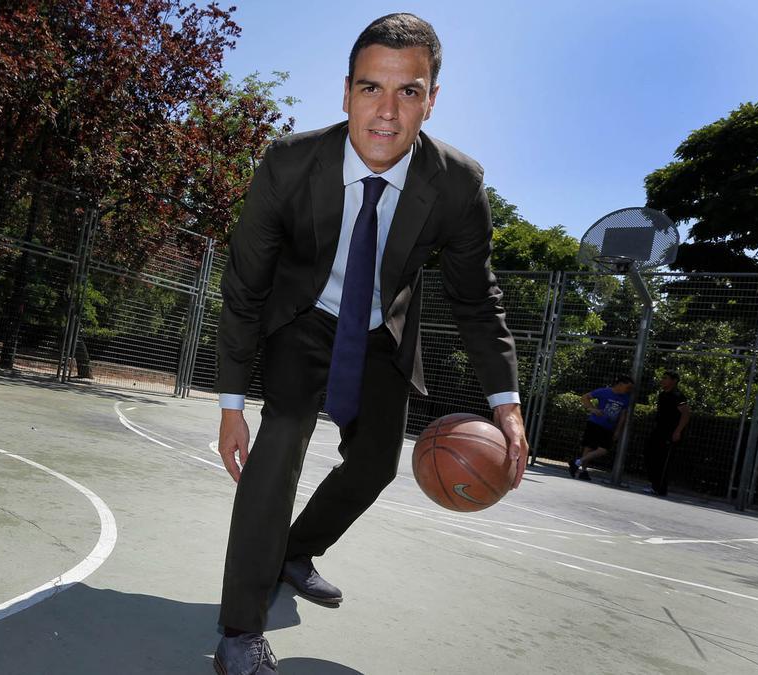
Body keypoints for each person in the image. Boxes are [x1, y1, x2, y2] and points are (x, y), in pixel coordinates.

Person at [212, 13, 529, 674]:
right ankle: (240, 631)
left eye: (408, 91)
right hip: (302, 317)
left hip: (383, 327)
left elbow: (476, 298)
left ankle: (294, 551)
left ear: (431, 98)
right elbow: (245, 284)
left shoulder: (458, 183)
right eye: (370, 89)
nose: (386, 111)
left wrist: (506, 400)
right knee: (284, 435)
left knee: (376, 463)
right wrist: (231, 400)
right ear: (346, 92)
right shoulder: (290, 164)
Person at [568, 375, 634, 481]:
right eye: (628, 387)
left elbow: (623, 416)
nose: (629, 390)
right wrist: (593, 409)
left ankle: (577, 462)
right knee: (589, 447)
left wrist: (617, 431)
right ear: (620, 384)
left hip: (608, 427)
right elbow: (585, 397)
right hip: (595, 423)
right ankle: (583, 471)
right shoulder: (604, 391)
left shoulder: (626, 398)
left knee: (603, 450)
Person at [643, 371, 690, 496]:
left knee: (662, 460)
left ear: (674, 381)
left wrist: (677, 431)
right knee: (649, 454)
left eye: (665, 378)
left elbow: (685, 415)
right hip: (659, 430)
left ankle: (660, 488)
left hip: (670, 432)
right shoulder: (663, 394)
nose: (662, 380)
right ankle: (654, 484)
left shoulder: (678, 396)